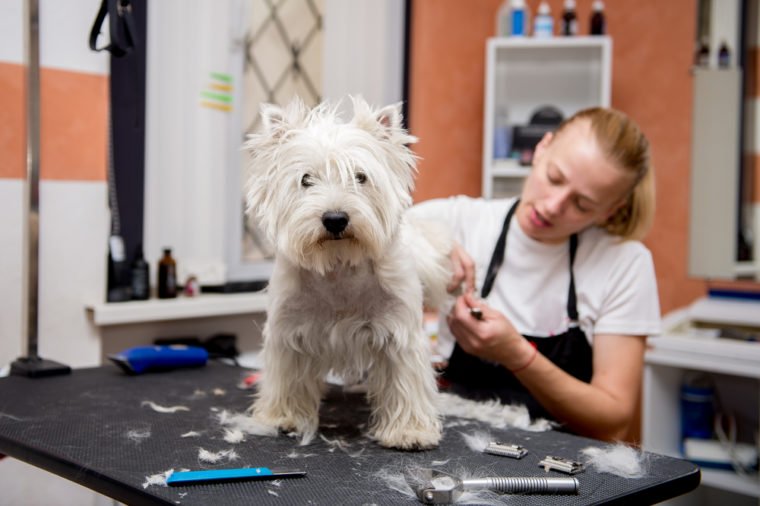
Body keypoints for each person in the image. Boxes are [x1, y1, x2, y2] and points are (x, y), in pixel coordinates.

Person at [411, 107, 660, 442]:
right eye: (554, 178)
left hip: (563, 471)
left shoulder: (624, 264)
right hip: (457, 448)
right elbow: (368, 234)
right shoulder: (462, 221)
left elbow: (612, 422)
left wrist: (517, 355)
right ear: (542, 148)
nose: (554, 206)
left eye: (582, 205)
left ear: (611, 209)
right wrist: (424, 243)